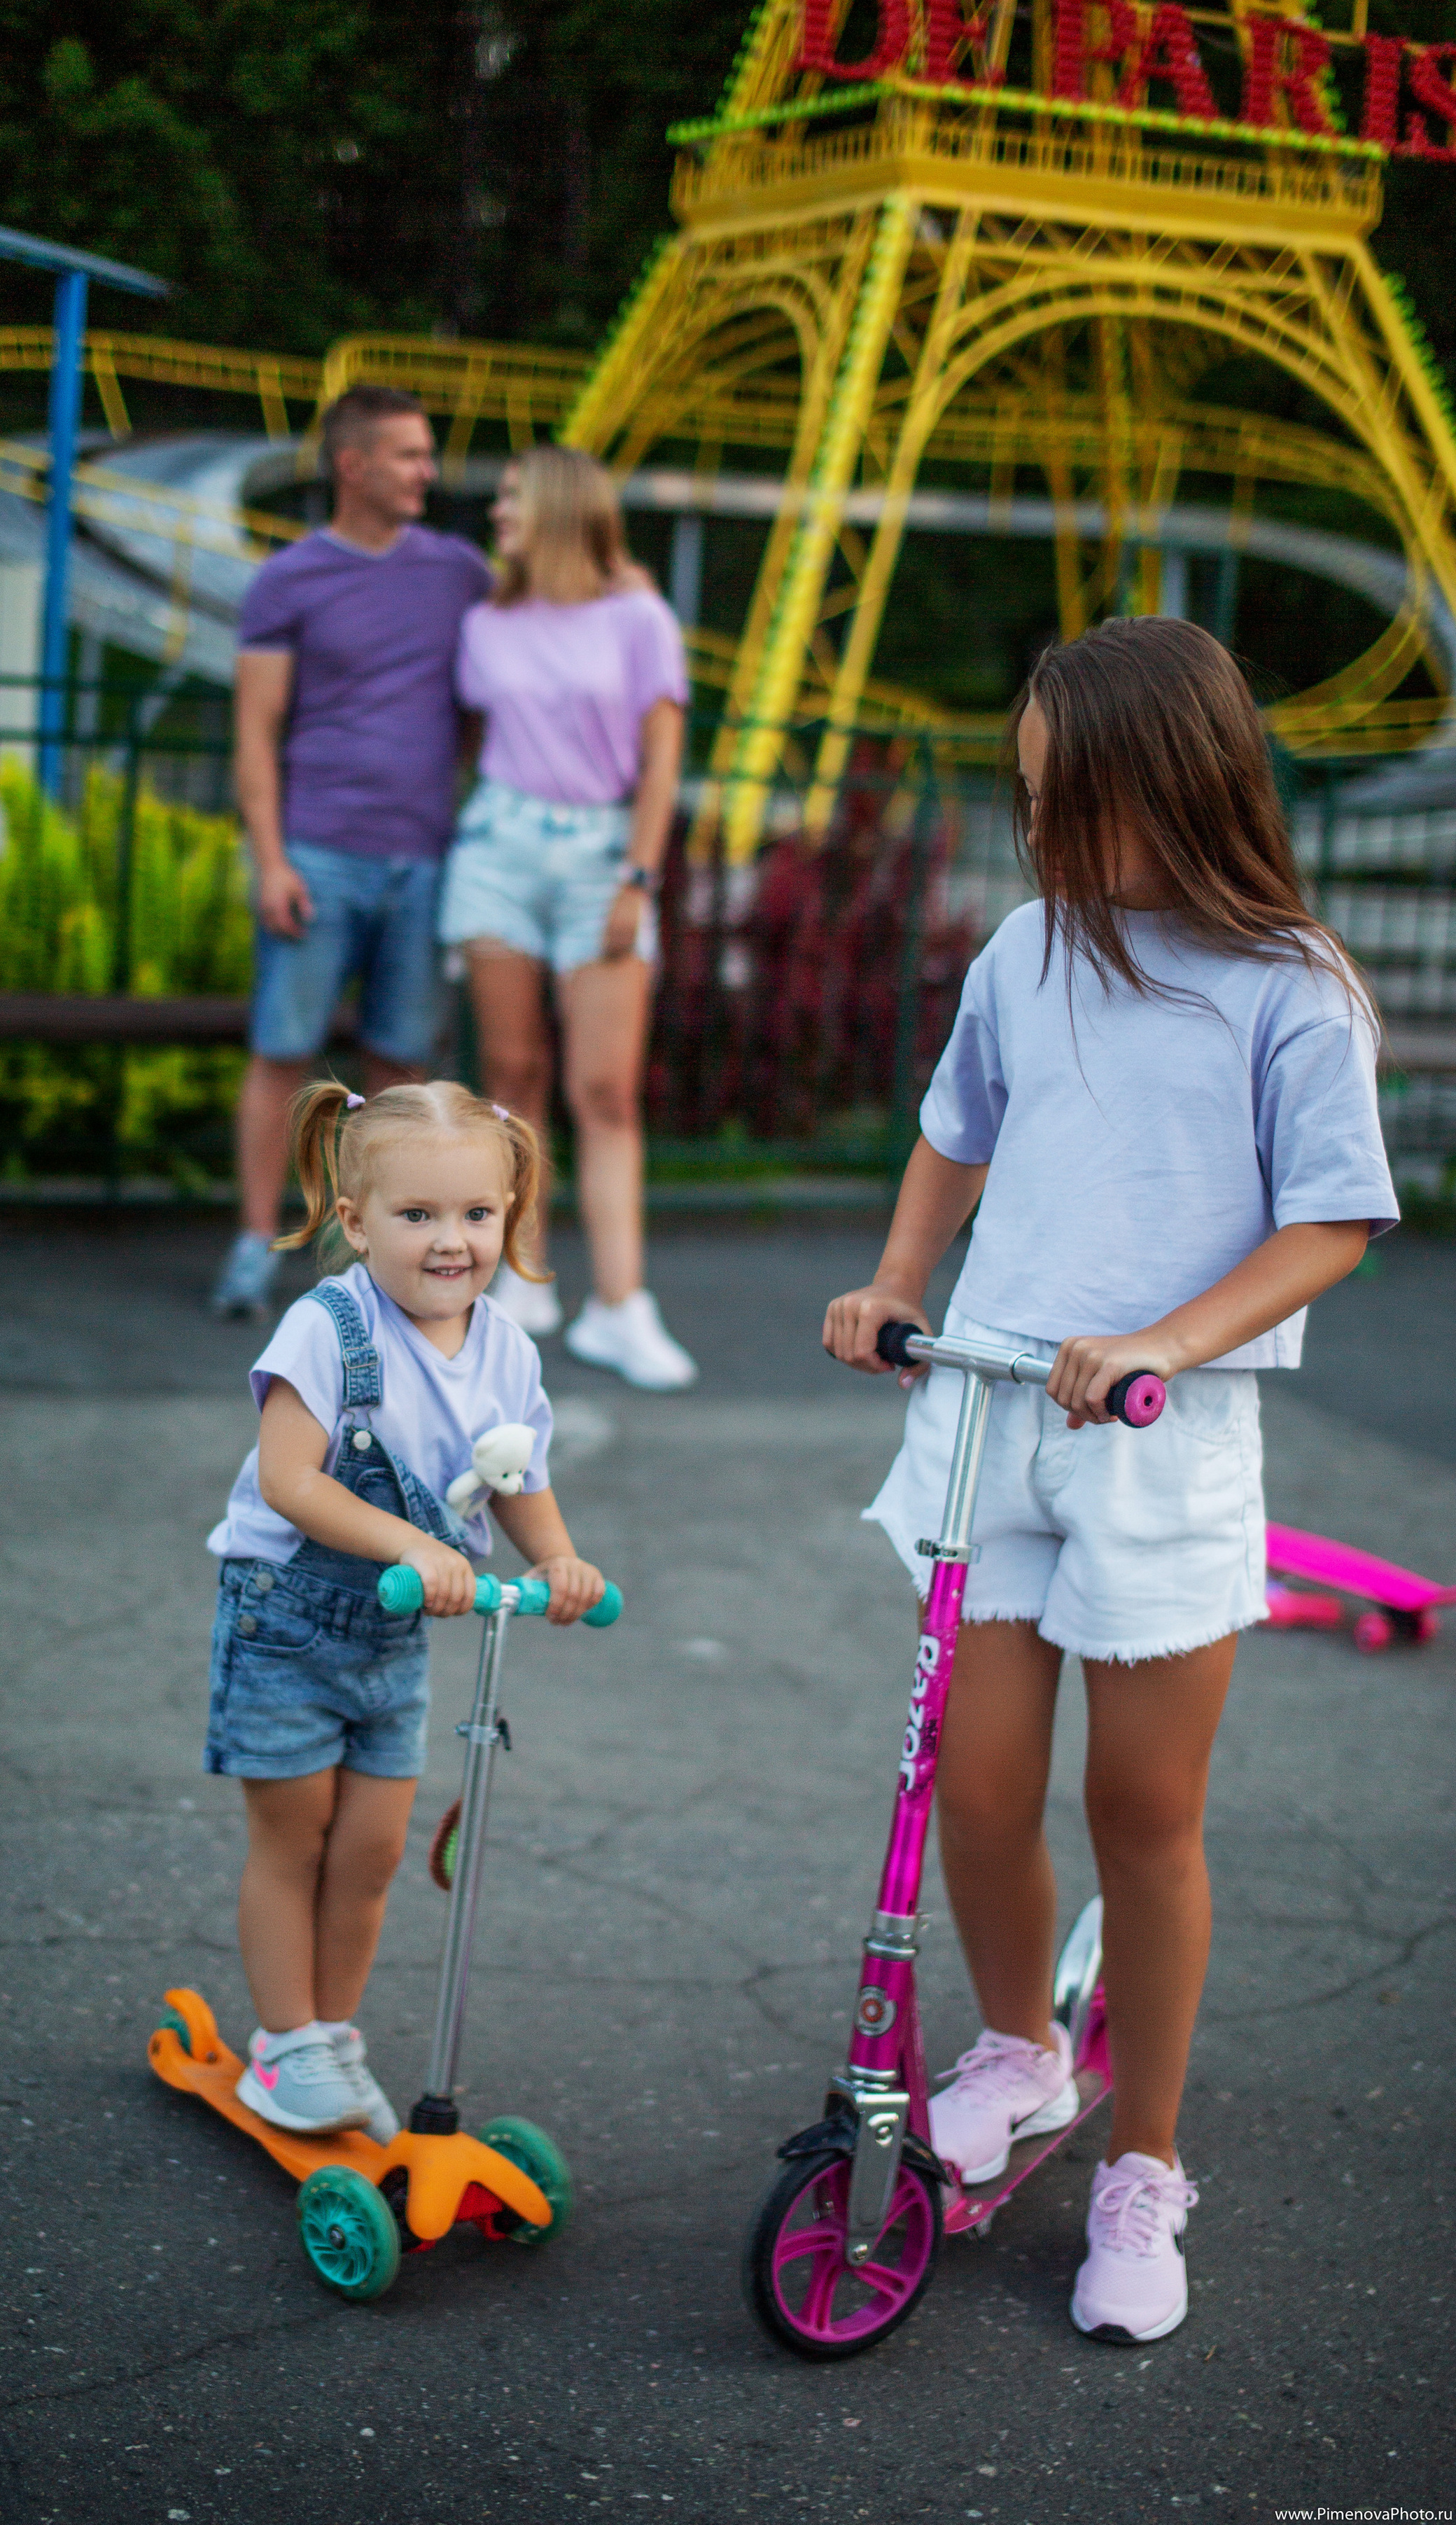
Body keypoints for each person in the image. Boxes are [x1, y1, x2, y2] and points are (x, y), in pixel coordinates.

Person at [822, 616, 1396, 2345]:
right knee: (974, 1789)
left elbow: (1331, 1221)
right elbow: (956, 1123)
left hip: (1155, 1442)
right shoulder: (1025, 947)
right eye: (1031, 805)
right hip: (991, 1415)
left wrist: (1163, 1337)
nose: (1042, 840)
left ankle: (1142, 2161)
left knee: (1137, 1817)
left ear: (1182, 788)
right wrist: (898, 1279)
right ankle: (1018, 2044)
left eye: (1074, 806)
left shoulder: (1293, 985)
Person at [202, 1076, 608, 2136]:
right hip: (288, 1615)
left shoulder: (507, 1347)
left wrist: (561, 1561)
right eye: (416, 1215)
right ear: (354, 1220)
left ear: (509, 1217)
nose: (451, 1242)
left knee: (374, 1851)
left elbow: (520, 1479)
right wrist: (419, 1546)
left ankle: (335, 2034)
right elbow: (293, 1479)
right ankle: (283, 2043)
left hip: (397, 1630)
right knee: (296, 1838)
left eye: (477, 1215)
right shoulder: (327, 1327)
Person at [211, 386, 493, 1316]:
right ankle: (256, 1245)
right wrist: (271, 858)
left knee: (402, 1073)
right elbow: (255, 732)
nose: (428, 472)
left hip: (425, 860)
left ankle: (376, 1259)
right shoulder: (289, 579)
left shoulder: (459, 571)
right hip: (318, 854)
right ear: (353, 464)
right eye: (410, 455)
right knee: (282, 1055)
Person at [439, 445, 697, 1391]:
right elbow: (477, 738)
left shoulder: (639, 619)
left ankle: (622, 1306)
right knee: (511, 1073)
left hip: (601, 861)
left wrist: (638, 875)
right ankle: (527, 1278)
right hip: (499, 849)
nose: (498, 513)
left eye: (511, 497)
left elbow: (661, 760)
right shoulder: (486, 623)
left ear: (556, 506)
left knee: (606, 1091)